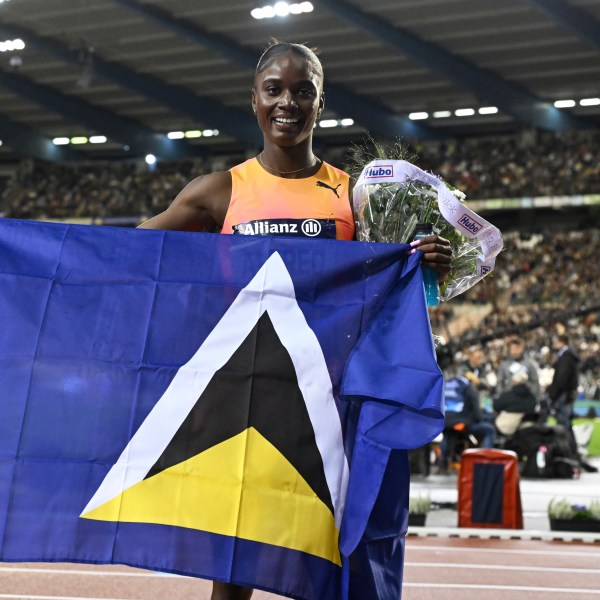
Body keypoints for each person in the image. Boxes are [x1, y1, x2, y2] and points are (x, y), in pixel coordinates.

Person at [139, 41, 452, 600]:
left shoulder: (355, 198)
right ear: (254, 100)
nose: (288, 101)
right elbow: (129, 252)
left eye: (302, 90)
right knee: (234, 572)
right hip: (243, 402)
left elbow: (388, 294)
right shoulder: (219, 192)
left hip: (326, 405)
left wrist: (424, 265)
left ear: (320, 102)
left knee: (326, 563)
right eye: (274, 89)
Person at [547, 334, 598, 472]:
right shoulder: (570, 356)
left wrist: (553, 393)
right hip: (567, 395)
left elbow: (562, 378)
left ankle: (568, 453)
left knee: (563, 426)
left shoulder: (566, 357)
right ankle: (572, 452)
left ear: (560, 342)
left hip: (562, 396)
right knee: (566, 425)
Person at [439, 374, 496, 473]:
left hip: (445, 422)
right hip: (462, 423)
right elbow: (477, 414)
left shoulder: (447, 385)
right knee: (489, 430)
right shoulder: (469, 388)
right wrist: (481, 418)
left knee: (448, 435)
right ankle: (485, 461)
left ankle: (442, 465)